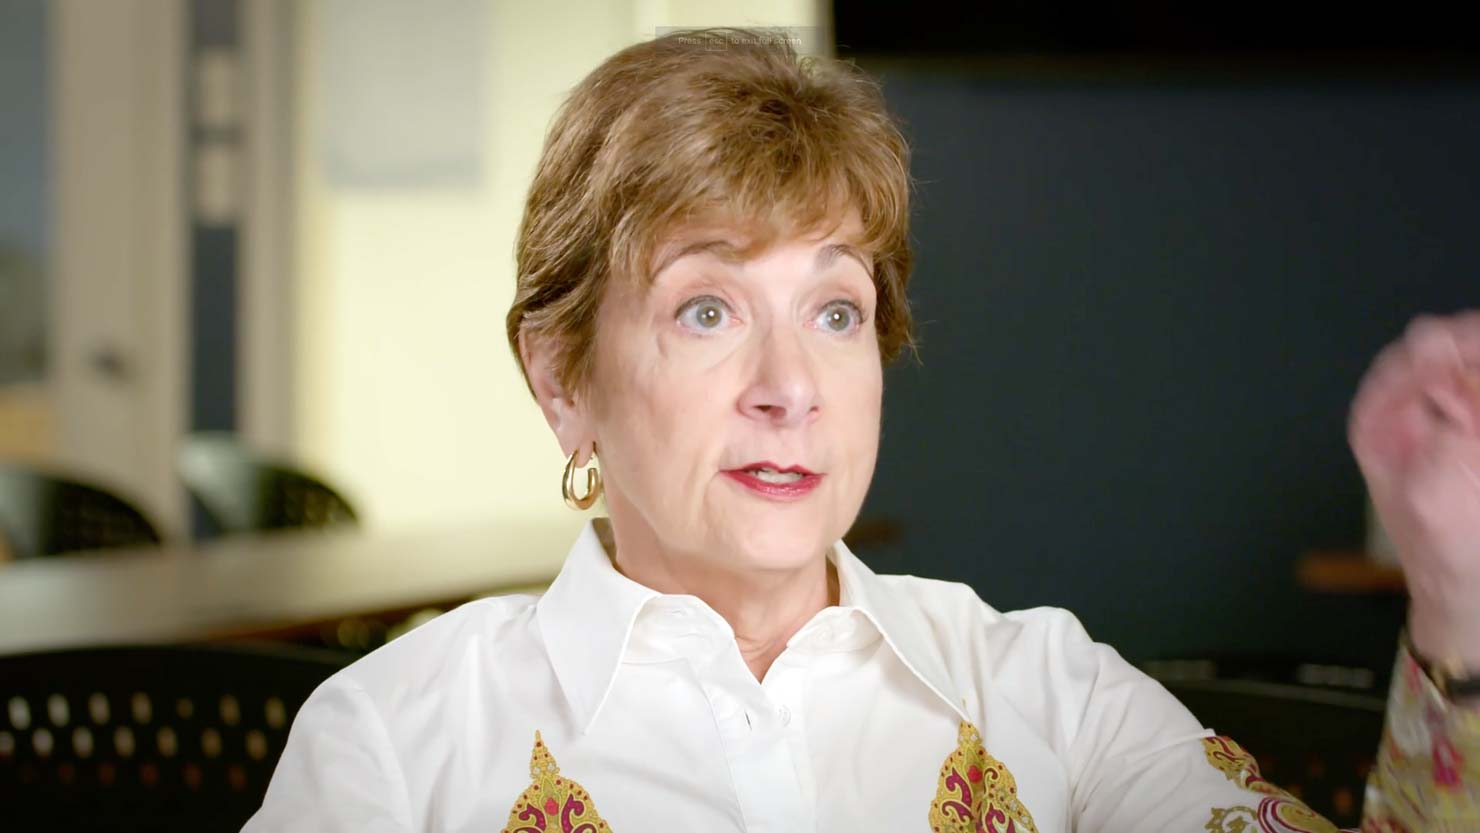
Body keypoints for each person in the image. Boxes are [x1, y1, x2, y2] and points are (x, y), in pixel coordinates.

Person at [244, 28, 1480, 832]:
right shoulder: (394, 744)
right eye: (707, 306)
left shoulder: (1043, 688)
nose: (791, 383)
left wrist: (1461, 604)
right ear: (561, 375)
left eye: (835, 309)